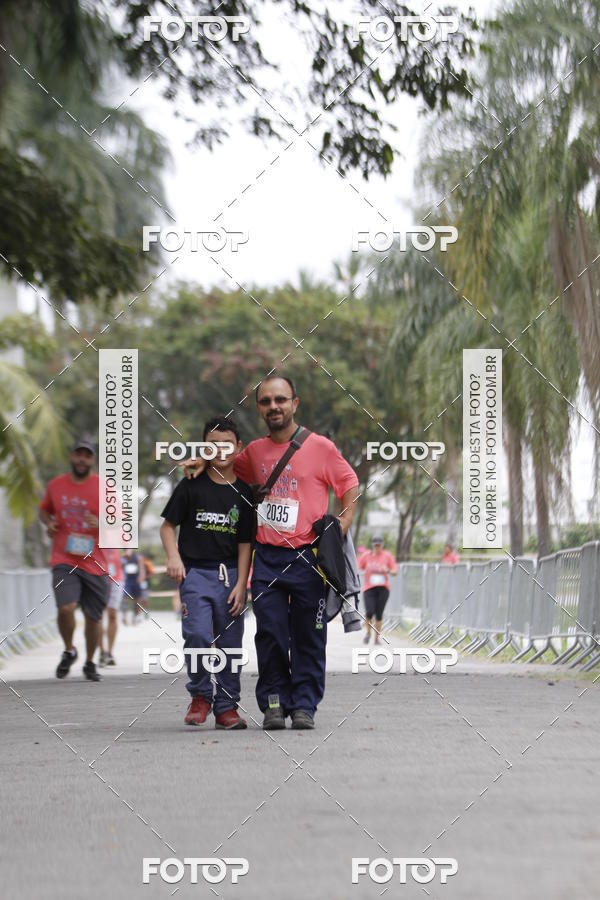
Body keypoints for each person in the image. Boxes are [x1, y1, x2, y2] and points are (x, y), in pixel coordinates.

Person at [183, 374, 358, 731]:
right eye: (266, 401)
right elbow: (225, 467)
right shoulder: (254, 453)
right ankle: (274, 702)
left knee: (310, 635)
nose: (273, 407)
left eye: (281, 400)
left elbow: (350, 484)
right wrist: (201, 461)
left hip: (310, 560)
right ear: (259, 408)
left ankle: (305, 704)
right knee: (271, 633)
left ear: (295, 403)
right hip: (268, 559)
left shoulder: (320, 447)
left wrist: (342, 523)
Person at [160, 416, 253, 730]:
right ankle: (200, 694)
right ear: (203, 448)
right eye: (212, 445)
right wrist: (173, 557)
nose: (221, 450)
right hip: (196, 574)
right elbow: (167, 526)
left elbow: (245, 544)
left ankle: (227, 706)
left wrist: (242, 582)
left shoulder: (243, 493)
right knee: (197, 634)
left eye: (227, 444)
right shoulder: (190, 485)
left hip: (230, 576)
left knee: (230, 644)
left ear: (238, 447)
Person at [39, 437, 109, 681]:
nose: (82, 459)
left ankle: (90, 662)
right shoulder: (56, 486)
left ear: (93, 460)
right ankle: (69, 650)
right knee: (65, 607)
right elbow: (43, 509)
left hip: (95, 563)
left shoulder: (105, 488)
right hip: (64, 558)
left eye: (87, 455)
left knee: (93, 617)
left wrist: (101, 523)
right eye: (78, 454)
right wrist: (49, 523)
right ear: (71, 456)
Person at [357, 536, 398, 645]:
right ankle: (368, 633)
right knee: (369, 611)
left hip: (383, 588)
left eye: (379, 545)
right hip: (369, 588)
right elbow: (358, 566)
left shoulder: (387, 556)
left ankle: (376, 638)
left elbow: (395, 571)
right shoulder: (366, 556)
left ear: (382, 545)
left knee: (379, 614)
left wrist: (388, 570)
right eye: (375, 545)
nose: (377, 547)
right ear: (373, 545)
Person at [100, 547, 123, 666]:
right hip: (97, 577)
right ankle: (101, 651)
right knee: (97, 616)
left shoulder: (118, 530)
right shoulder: (92, 529)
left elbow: (128, 546)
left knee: (112, 615)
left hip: (116, 578)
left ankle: (109, 652)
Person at [120, 548, 146, 625]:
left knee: (138, 599)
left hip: (136, 581)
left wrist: (141, 577)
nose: (128, 551)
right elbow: (119, 568)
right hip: (126, 581)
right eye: (126, 549)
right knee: (125, 598)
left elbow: (142, 569)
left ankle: (135, 617)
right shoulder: (122, 558)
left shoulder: (138, 557)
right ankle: (124, 616)